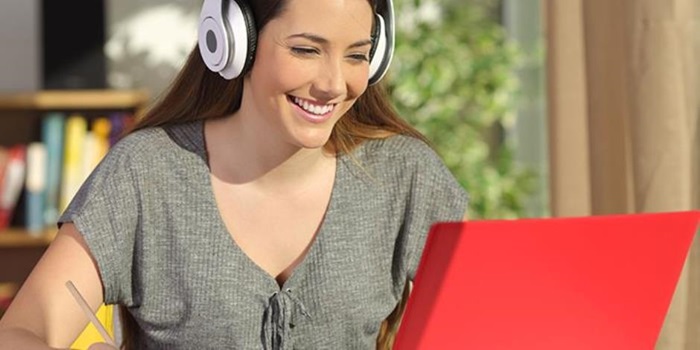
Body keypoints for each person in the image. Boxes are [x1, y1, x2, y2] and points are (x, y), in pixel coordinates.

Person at [0, 0, 469, 348]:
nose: (332, 84)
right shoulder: (148, 173)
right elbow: (22, 329)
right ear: (232, 43)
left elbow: (493, 319)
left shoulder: (405, 177)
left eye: (355, 55)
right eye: (306, 50)